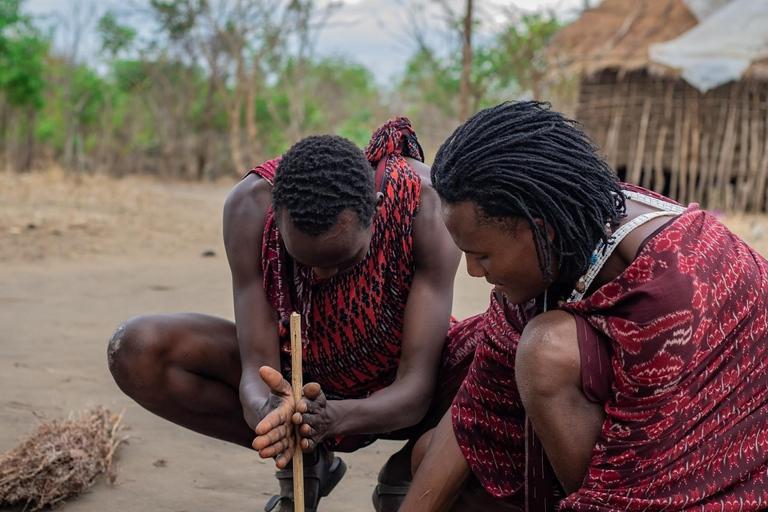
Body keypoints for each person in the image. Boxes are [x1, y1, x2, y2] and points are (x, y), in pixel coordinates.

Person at [400, 101, 768, 512]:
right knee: (430, 455)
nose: (471, 271)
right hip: (622, 432)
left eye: (482, 256)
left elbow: (633, 481)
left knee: (545, 348)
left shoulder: (670, 290)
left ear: (541, 231)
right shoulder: (570, 232)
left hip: (712, 462)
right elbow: (481, 397)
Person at [107, 118, 475, 512]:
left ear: (376, 209)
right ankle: (309, 464)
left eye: (344, 260)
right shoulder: (249, 205)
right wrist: (266, 411)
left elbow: (416, 389)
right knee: (136, 347)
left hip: (403, 394)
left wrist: (334, 416)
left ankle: (408, 471)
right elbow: (257, 368)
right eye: (305, 262)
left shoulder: (424, 203)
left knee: (504, 352)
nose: (322, 276)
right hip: (300, 376)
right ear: (276, 216)